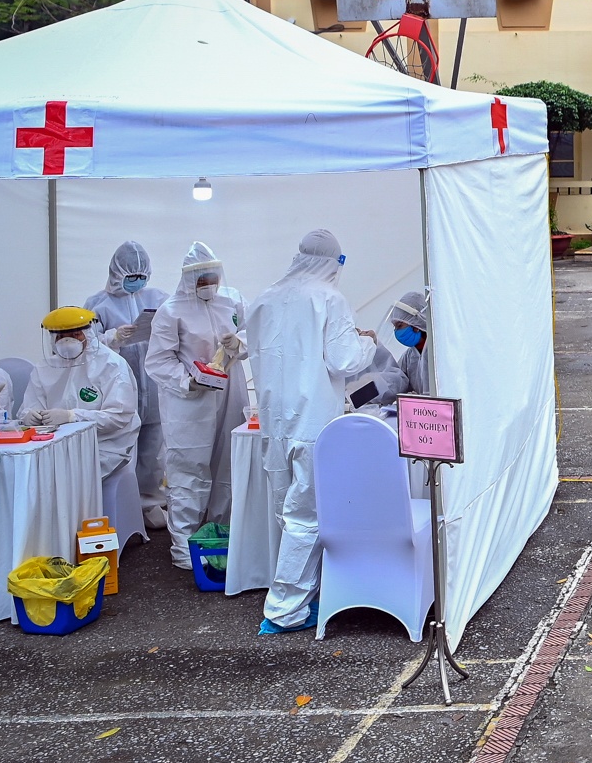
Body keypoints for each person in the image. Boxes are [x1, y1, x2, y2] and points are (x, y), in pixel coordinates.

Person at [247, 229, 376, 635]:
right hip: (313, 424)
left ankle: (303, 593)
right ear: (333, 262)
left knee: (287, 515)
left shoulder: (264, 298)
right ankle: (285, 609)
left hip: (273, 423)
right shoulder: (328, 298)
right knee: (305, 517)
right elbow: (343, 360)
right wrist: (366, 342)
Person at [147, 242, 249, 569]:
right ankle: (183, 548)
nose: (208, 284)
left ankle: (220, 537)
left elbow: (254, 332)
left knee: (227, 465)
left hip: (230, 392)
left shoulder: (231, 300)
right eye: (201, 279)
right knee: (188, 471)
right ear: (188, 279)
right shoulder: (171, 310)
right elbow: (159, 360)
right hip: (189, 403)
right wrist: (187, 380)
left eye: (211, 277)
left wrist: (240, 343)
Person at [85, 242, 170, 528]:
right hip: (119, 388)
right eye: (130, 275)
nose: (137, 280)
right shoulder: (98, 304)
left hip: (156, 385)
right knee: (122, 449)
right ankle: (122, 505)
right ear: (116, 272)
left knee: (153, 450)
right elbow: (86, 345)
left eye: (140, 275)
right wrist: (114, 337)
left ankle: (150, 503)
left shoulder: (159, 298)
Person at [20, 307, 141, 482]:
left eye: (75, 334)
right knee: (28, 472)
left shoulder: (111, 364)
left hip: (102, 445)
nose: (67, 341)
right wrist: (29, 416)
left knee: (62, 476)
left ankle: (80, 510)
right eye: (61, 336)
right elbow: (30, 406)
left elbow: (119, 417)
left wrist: (72, 416)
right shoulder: (44, 367)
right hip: (52, 444)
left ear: (88, 333)